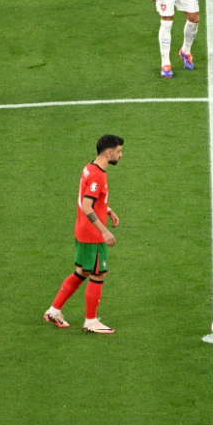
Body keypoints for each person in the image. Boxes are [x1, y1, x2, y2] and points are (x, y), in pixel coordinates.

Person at [44, 135, 124, 334]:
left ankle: (54, 311)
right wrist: (104, 231)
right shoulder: (98, 176)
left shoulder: (90, 168)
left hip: (82, 230)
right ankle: (90, 322)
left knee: (82, 272)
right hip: (92, 234)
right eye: (119, 151)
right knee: (98, 273)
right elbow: (87, 206)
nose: (120, 155)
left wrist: (107, 209)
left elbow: (88, 198)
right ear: (109, 152)